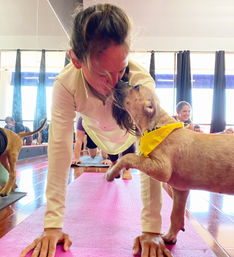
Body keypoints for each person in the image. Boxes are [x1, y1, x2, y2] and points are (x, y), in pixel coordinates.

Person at [20, 4, 172, 257]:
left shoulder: (141, 83)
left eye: (121, 70)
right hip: (96, 133)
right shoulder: (65, 84)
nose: (113, 82)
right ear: (76, 60)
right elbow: (59, 150)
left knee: (130, 152)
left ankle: (118, 164)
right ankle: (114, 162)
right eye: (103, 73)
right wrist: (52, 225)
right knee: (109, 154)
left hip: (128, 138)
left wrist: (152, 229)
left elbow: (151, 153)